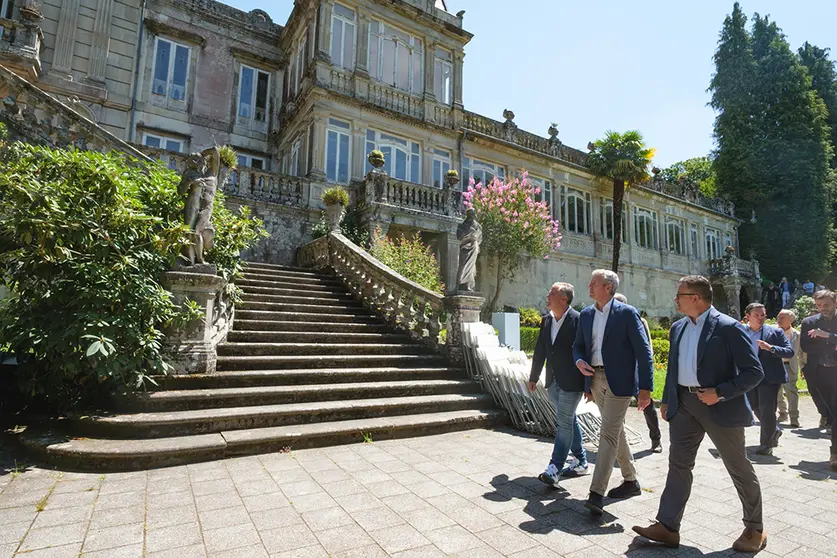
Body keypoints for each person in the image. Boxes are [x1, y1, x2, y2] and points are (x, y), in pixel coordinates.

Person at [633, 275, 766, 552]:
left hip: (720, 406)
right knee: (678, 465)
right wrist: (669, 399)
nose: (675, 300)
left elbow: (755, 372)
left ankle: (755, 529)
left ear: (695, 298)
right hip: (683, 405)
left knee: (738, 467)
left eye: (679, 295)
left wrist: (720, 392)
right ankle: (668, 526)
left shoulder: (729, 328)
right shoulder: (678, 327)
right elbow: (673, 366)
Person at [573, 270, 654, 516]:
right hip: (594, 380)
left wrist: (645, 389)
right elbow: (578, 346)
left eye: (593, 283)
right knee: (615, 429)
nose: (589, 286)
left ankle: (596, 493)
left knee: (607, 433)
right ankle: (630, 480)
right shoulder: (586, 314)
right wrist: (579, 362)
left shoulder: (627, 314)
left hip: (619, 381)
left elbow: (644, 351)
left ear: (608, 287)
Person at [528, 283, 587, 486]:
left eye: (552, 293)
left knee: (563, 423)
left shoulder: (579, 320)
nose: (548, 295)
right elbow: (540, 351)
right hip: (552, 382)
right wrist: (534, 377)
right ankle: (581, 461)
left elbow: (586, 352)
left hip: (572, 382)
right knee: (569, 421)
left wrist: (588, 386)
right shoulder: (546, 321)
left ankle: (555, 468)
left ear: (564, 298)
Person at [742, 303, 794, 456]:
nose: (760, 318)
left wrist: (771, 348)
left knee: (767, 410)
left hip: (769, 377)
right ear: (748, 317)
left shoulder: (775, 332)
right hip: (748, 376)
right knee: (753, 406)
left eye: (763, 315)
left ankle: (766, 444)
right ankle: (775, 430)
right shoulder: (740, 331)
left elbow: (789, 352)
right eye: (756, 315)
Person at [614, 293, 662, 453]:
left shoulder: (639, 321)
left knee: (647, 405)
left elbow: (647, 346)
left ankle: (656, 440)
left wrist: (647, 370)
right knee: (618, 406)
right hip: (618, 370)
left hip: (635, 369)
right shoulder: (608, 321)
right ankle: (620, 441)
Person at [800, 290, 837, 471]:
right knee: (828, 411)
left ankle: (834, 454)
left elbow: (818, 342)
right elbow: (806, 346)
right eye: (819, 305)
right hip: (817, 374)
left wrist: (827, 336)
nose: (822, 309)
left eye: (826, 305)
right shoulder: (808, 322)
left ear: (835, 303)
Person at [777, 309, 804, 428]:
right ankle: (782, 413)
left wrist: (803, 366)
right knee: (776, 392)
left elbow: (802, 352)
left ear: (790, 320)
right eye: (778, 317)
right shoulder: (772, 331)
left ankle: (794, 417)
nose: (779, 319)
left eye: (782, 317)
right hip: (775, 365)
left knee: (792, 392)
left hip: (790, 366)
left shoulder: (797, 335)